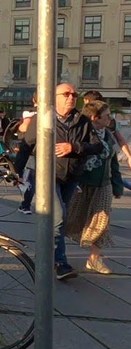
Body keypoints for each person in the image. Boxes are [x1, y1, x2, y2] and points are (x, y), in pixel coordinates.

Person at [23, 83, 103, 280]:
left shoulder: (82, 120)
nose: (71, 97)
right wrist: (16, 170)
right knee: (59, 217)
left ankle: (45, 254)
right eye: (66, 94)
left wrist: (74, 147)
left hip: (70, 176)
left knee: (58, 220)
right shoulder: (42, 118)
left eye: (74, 94)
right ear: (55, 97)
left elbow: (97, 146)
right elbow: (27, 145)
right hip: (46, 175)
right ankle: (60, 263)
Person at [65, 101, 123, 274]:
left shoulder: (108, 135)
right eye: (106, 115)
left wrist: (117, 185)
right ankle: (56, 254)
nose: (110, 118)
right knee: (69, 221)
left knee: (102, 219)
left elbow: (113, 162)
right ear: (94, 117)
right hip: (80, 183)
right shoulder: (82, 133)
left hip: (103, 184)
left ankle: (94, 259)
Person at [83, 90, 131, 169]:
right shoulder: (82, 124)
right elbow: (120, 139)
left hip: (108, 156)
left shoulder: (81, 120)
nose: (110, 118)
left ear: (87, 100)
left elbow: (119, 138)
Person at [15, 95, 38, 215]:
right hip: (43, 151)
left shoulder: (30, 113)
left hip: (31, 149)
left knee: (30, 179)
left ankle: (26, 205)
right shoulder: (52, 113)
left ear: (34, 100)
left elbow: (24, 129)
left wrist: (19, 126)